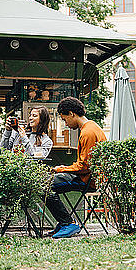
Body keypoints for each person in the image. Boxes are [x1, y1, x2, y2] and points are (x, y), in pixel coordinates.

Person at [45, 96, 106, 239]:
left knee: (44, 187)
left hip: (88, 180)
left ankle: (68, 223)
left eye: (65, 119)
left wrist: (61, 169)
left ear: (72, 114)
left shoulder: (88, 132)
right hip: (90, 177)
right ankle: (64, 222)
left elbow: (84, 166)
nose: (65, 124)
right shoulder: (92, 126)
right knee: (46, 184)